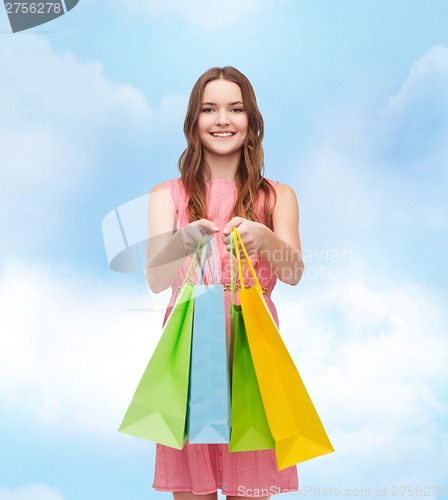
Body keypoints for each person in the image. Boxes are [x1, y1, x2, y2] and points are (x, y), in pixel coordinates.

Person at [145, 66, 304, 500]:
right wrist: (182, 241)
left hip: (252, 347)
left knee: (250, 481)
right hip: (192, 346)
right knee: (193, 486)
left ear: (251, 120)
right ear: (193, 121)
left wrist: (265, 236)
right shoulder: (167, 194)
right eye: (209, 109)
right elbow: (156, 281)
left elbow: (292, 273)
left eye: (235, 109)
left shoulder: (278, 196)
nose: (222, 119)